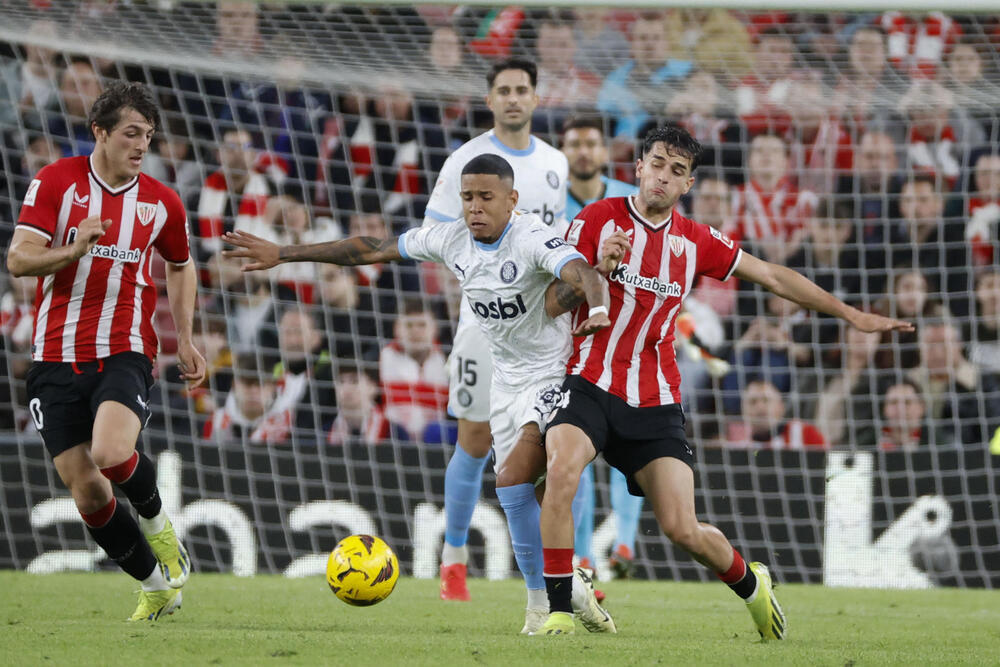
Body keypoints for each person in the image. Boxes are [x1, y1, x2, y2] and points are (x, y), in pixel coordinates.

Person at [534, 124, 911, 637]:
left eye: (678, 171)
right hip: (590, 381)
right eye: (658, 164)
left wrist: (852, 314)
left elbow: (775, 276)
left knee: (681, 528)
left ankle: (752, 585)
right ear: (638, 167)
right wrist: (597, 269)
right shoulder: (597, 219)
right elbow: (555, 298)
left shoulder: (695, 241)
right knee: (561, 471)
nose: (664, 177)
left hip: (654, 398)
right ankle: (558, 610)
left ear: (688, 185)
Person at [225, 153, 618, 635]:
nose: (474, 207)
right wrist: (284, 254)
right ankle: (571, 589)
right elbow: (370, 249)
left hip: (552, 374)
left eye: (486, 198)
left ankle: (542, 608)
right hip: (504, 381)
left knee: (514, 482)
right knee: (526, 494)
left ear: (511, 200)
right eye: (468, 197)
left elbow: (583, 272)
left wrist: (597, 308)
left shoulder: (531, 235)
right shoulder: (451, 238)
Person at [5, 81, 206, 621]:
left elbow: (182, 265)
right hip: (53, 355)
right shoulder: (56, 183)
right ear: (100, 132)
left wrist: (184, 336)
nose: (141, 145)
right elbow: (19, 261)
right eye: (131, 133)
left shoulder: (161, 202)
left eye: (148, 136)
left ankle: (161, 527)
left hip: (125, 348)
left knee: (112, 453)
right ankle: (155, 584)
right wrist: (74, 248)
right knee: (87, 491)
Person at [419, 57, 569, 603]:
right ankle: (454, 555)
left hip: (545, 329)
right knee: (475, 439)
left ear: (535, 97)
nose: (512, 98)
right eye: (502, 90)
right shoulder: (465, 161)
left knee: (561, 447)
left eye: (521, 89)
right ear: (489, 100)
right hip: (482, 325)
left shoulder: (555, 162)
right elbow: (437, 234)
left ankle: (573, 571)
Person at [560, 114, 643, 577]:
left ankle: (625, 544)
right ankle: (585, 554)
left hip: (626, 334)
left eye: (592, 143)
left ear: (604, 150)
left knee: (621, 442)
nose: (584, 152)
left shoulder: (626, 203)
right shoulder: (553, 200)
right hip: (574, 336)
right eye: (575, 143)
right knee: (580, 448)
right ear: (564, 150)